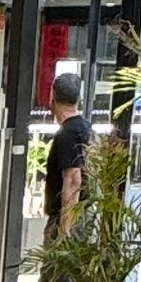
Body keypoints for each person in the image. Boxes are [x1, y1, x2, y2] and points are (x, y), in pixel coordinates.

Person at [42, 72, 92, 240]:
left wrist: (65, 229)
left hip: (69, 219)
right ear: (78, 99)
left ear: (52, 98)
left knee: (56, 266)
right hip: (84, 215)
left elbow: (72, 179)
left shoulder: (68, 134)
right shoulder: (85, 127)